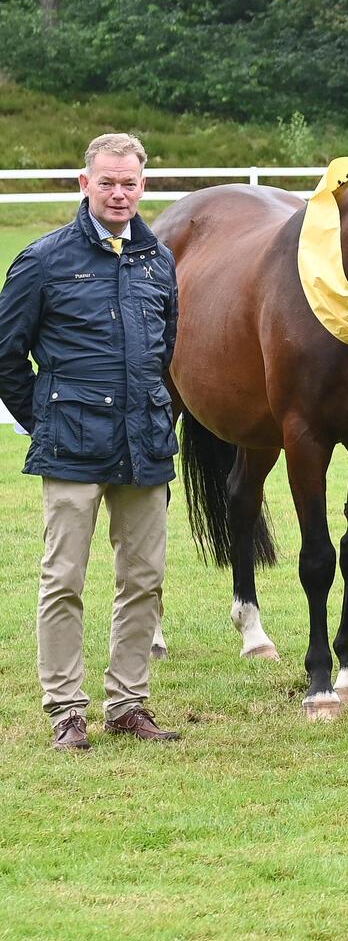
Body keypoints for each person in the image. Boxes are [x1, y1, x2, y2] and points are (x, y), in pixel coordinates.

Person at [0, 133, 182, 749]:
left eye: (129, 182)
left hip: (146, 445)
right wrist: (48, 418)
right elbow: (7, 356)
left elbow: (165, 353)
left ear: (142, 186)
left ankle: (129, 702)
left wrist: (153, 415)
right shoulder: (43, 259)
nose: (119, 192)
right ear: (85, 184)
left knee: (144, 579)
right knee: (64, 580)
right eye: (107, 181)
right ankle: (66, 709)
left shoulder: (158, 260)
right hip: (72, 446)